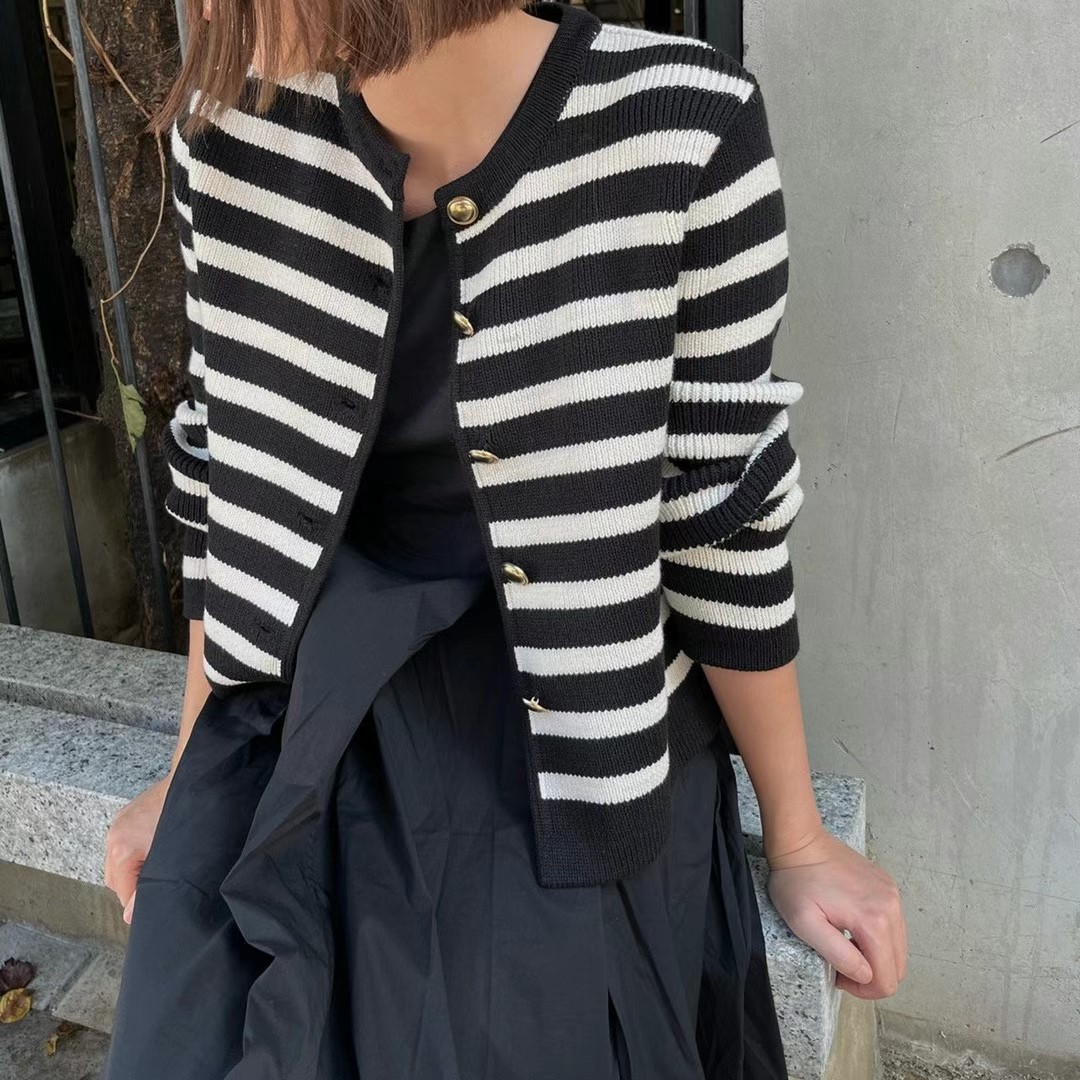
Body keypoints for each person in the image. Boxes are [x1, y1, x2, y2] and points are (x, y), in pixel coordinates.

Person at [101, 1, 907, 1077]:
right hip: (307, 715)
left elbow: (723, 512)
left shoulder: (680, 124)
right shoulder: (230, 131)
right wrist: (193, 775)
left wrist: (796, 839)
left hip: (572, 732)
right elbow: (223, 470)